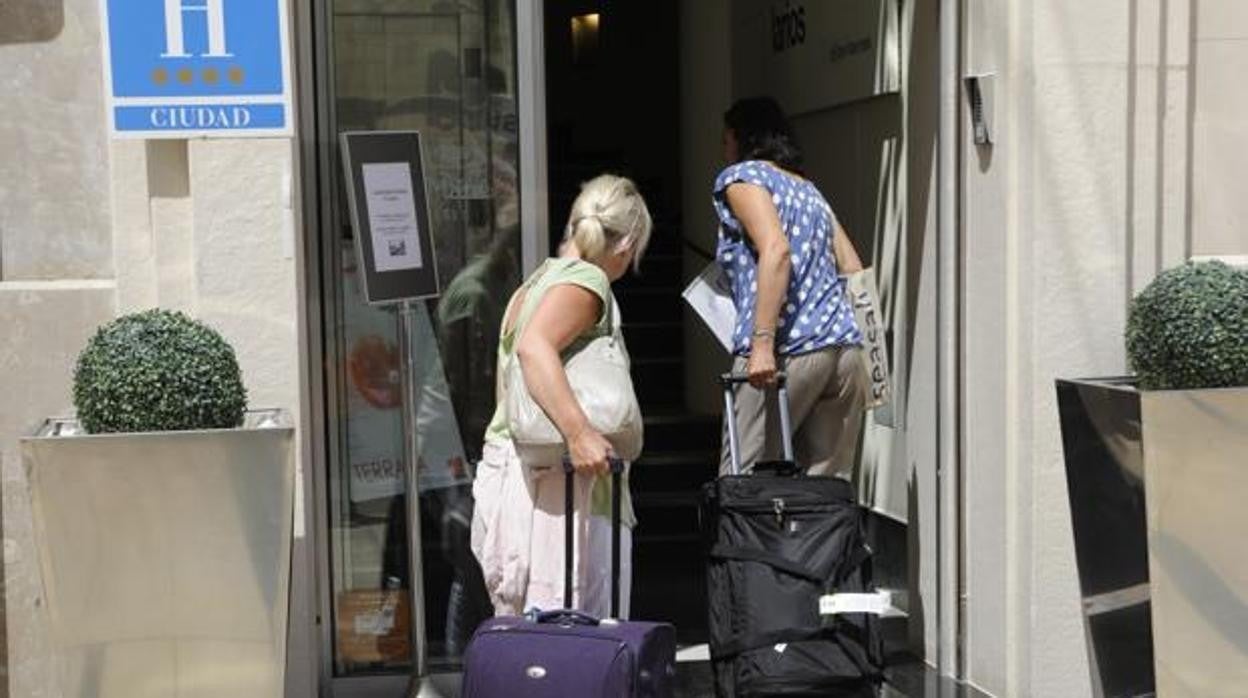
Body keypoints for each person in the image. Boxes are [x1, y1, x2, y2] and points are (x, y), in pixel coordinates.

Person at [471, 174, 652, 619]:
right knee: (587, 647)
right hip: (574, 495)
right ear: (627, 243)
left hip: (520, 483)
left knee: (537, 652)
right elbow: (535, 348)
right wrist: (580, 432)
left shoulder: (534, 284)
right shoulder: (588, 281)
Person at [712, 96, 868, 480]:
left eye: (726, 138)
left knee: (744, 477)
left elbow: (776, 249)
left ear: (738, 137)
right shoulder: (808, 190)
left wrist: (762, 343)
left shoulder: (743, 178)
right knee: (823, 486)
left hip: (789, 349)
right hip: (843, 349)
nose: (724, 148)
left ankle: (745, 544)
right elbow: (852, 267)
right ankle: (820, 545)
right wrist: (873, 354)